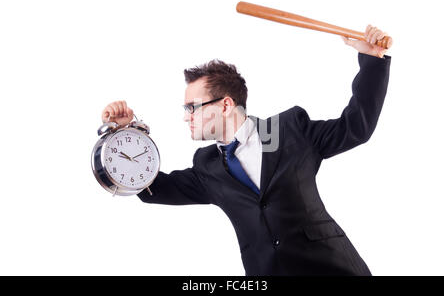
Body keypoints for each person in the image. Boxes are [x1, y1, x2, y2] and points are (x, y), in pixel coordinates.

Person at [101, 25, 392, 275]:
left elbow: (356, 127)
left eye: (193, 107)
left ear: (225, 105)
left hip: (332, 269)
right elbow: (156, 189)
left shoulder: (290, 129)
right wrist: (126, 133)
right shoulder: (207, 166)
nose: (186, 116)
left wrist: (371, 59)